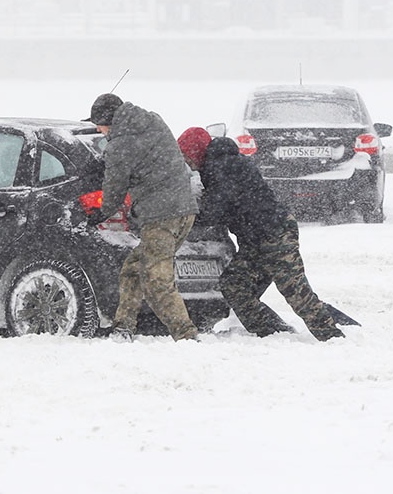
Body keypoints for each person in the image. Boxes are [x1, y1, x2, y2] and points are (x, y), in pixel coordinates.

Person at [176, 126, 344, 341]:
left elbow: (215, 209)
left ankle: (334, 337)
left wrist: (185, 216)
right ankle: (271, 331)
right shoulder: (218, 164)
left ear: (197, 151)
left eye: (186, 156)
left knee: (295, 292)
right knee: (234, 285)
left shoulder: (223, 166)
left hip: (274, 233)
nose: (187, 162)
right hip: (255, 239)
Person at [84, 93, 200, 342]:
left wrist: (101, 212)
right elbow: (146, 158)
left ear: (108, 120)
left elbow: (114, 186)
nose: (98, 129)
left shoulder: (120, 145)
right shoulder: (153, 122)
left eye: (99, 123)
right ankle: (123, 327)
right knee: (134, 269)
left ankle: (187, 336)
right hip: (185, 210)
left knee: (157, 280)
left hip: (161, 217)